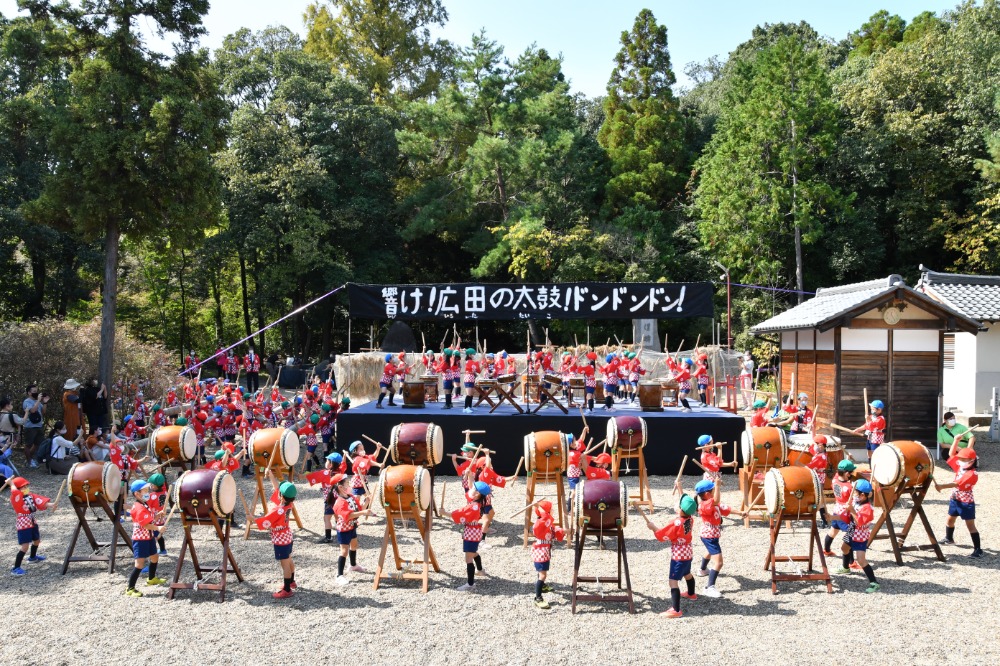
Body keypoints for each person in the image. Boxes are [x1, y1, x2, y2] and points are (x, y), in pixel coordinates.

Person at [640, 493, 699, 618]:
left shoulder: (677, 522)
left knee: (673, 581)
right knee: (687, 573)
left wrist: (653, 527)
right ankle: (691, 593)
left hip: (678, 555)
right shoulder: (690, 519)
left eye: (679, 504)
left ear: (681, 509)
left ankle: (676, 610)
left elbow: (662, 535)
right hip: (688, 552)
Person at [255, 469, 297, 599]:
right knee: (289, 559)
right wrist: (271, 475)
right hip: (287, 535)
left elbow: (265, 522)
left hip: (280, 538)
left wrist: (252, 518)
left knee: (284, 564)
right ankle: (292, 581)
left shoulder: (278, 510)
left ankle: (287, 589)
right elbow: (277, 489)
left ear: (282, 497)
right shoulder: (289, 504)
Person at [935, 448, 982, 557]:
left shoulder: (972, 473)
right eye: (960, 458)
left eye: (963, 459)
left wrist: (942, 486)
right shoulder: (960, 467)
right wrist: (956, 440)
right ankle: (949, 538)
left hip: (966, 500)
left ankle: (978, 549)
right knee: (950, 519)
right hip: (955, 498)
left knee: (970, 525)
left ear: (971, 460)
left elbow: (956, 484)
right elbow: (951, 454)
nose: (959, 460)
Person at [124, 480, 167, 596]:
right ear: (137, 494)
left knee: (154, 557)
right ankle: (130, 588)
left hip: (148, 537)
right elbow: (145, 524)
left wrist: (158, 515)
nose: (148, 492)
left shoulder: (144, 504)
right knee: (139, 564)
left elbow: (149, 518)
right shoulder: (139, 507)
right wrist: (158, 528)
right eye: (145, 491)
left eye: (148, 490)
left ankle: (151, 578)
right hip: (140, 539)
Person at [837, 479, 879, 593]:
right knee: (844, 548)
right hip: (852, 531)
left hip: (860, 534)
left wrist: (852, 510)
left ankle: (874, 582)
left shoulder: (868, 508)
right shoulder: (857, 502)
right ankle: (846, 568)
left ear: (863, 495)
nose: (853, 494)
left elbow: (860, 522)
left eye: (855, 492)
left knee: (861, 560)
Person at [332, 474, 373, 585]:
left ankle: (353, 565)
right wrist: (363, 512)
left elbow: (358, 509)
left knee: (354, 545)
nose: (349, 485)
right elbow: (348, 515)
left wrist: (366, 502)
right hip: (344, 529)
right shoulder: (339, 502)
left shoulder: (350, 497)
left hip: (352, 526)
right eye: (347, 484)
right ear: (340, 487)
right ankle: (339, 575)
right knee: (344, 551)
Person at [693, 479, 730, 598]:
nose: (715, 491)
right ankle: (709, 587)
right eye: (713, 490)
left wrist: (740, 513)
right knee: (719, 563)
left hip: (710, 534)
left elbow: (724, 508)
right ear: (708, 494)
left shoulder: (710, 503)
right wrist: (718, 486)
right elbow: (717, 500)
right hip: (709, 536)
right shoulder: (705, 505)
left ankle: (702, 570)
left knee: (709, 552)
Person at [451, 481, 490, 591]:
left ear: (477, 494)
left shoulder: (473, 506)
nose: (471, 489)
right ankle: (480, 570)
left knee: (468, 558)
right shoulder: (478, 503)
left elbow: (459, 514)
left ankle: (470, 584)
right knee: (474, 553)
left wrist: (444, 513)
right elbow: (468, 494)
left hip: (471, 533)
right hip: (475, 531)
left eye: (473, 488)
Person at [9, 477, 52, 576]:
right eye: (23, 487)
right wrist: (11, 483)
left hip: (32, 520)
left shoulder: (30, 495)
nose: (26, 488)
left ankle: (32, 557)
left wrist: (51, 504)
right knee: (25, 546)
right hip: (23, 522)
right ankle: (16, 568)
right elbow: (15, 492)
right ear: (18, 489)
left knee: (36, 540)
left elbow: (39, 501)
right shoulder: (16, 496)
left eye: (26, 486)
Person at [530, 500, 565, 609]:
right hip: (540, 551)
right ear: (547, 512)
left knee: (542, 572)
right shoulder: (540, 523)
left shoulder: (546, 523)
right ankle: (538, 598)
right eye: (551, 509)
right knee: (543, 575)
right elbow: (545, 517)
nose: (552, 511)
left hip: (545, 550)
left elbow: (554, 531)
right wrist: (540, 508)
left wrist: (565, 531)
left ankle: (543, 587)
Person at [824, 460, 857, 557]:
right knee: (848, 537)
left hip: (836, 509)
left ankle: (826, 550)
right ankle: (851, 562)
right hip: (844, 514)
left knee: (833, 531)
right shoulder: (849, 487)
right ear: (847, 473)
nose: (851, 474)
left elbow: (841, 471)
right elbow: (854, 501)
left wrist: (848, 459)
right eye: (851, 473)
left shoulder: (835, 479)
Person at [22, 385, 48, 467]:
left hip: (39, 425)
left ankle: (29, 459)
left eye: (36, 391)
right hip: (30, 426)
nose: (36, 393)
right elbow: (32, 410)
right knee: (28, 444)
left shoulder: (39, 402)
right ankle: (29, 462)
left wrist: (45, 402)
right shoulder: (27, 401)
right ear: (29, 393)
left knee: (37, 444)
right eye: (34, 391)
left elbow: (43, 412)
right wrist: (38, 401)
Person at [462, 348, 481, 414]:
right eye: (473, 354)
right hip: (468, 378)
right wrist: (478, 363)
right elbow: (475, 368)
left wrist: (482, 366)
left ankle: (469, 406)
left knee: (471, 393)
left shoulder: (473, 362)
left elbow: (478, 371)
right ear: (469, 355)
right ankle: (465, 407)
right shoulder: (468, 362)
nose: (474, 355)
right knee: (469, 394)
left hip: (472, 378)